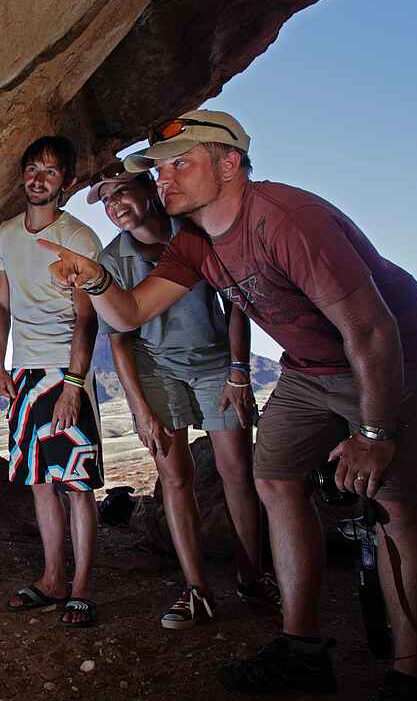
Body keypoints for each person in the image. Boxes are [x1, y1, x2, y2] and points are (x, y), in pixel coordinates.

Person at [38, 111, 417, 701]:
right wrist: (94, 279)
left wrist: (375, 432)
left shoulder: (287, 219)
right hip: (312, 368)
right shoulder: (195, 241)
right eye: (160, 168)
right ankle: (302, 647)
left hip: (398, 357)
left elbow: (372, 329)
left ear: (229, 163)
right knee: (274, 477)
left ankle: (413, 683)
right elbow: (132, 312)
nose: (164, 179)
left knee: (398, 508)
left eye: (181, 163)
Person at [82, 164, 277, 629]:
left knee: (237, 472)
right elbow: (118, 339)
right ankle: (197, 589)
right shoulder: (111, 260)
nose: (114, 206)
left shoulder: (195, 233)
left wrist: (239, 371)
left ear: (149, 188)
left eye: (121, 192)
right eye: (106, 200)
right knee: (174, 478)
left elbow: (237, 304)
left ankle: (252, 577)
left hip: (215, 363)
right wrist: (140, 409)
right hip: (155, 368)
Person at [0, 135, 106, 628]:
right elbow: (1, 303)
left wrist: (74, 386)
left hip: (64, 369)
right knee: (39, 481)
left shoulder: (78, 237)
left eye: (51, 171)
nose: (39, 179)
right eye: (33, 169)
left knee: (77, 484)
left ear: (67, 182)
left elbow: (87, 317)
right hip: (24, 371)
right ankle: (52, 578)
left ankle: (81, 588)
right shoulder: (6, 234)